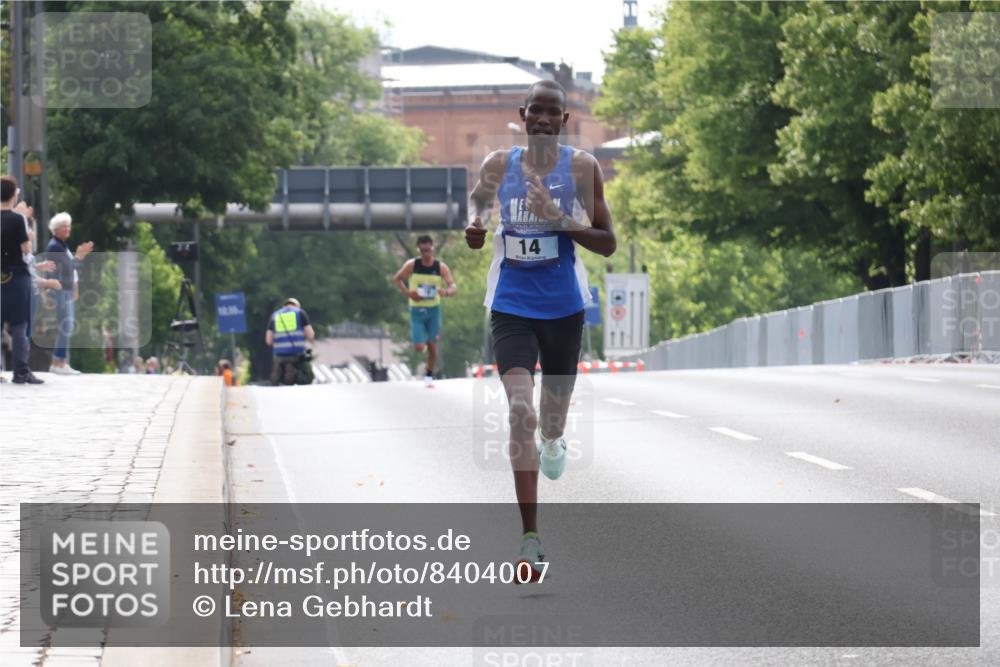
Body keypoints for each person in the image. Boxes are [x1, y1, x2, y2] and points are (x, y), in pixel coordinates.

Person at [465, 79, 616, 581]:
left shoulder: (582, 167)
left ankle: (555, 438)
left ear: (564, 120)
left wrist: (558, 221)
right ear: (523, 114)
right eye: (537, 112)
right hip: (510, 304)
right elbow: (477, 201)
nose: (545, 120)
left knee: (550, 420)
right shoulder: (497, 164)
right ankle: (530, 537)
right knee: (520, 410)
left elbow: (608, 243)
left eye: (554, 113)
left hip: (564, 308)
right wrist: (475, 225)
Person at [392, 235, 457, 388]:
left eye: (427, 249)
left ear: (432, 248)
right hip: (416, 310)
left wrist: (445, 292)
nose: (425, 253)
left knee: (433, 345)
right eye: (422, 250)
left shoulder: (440, 267)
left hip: (433, 310)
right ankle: (421, 340)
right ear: (418, 249)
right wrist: (409, 292)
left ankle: (429, 375)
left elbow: (454, 286)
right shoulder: (411, 265)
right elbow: (397, 278)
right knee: (420, 348)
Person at [1, 176, 43, 384]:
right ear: (13, 195)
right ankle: (21, 372)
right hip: (17, 276)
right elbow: (26, 249)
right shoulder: (18, 220)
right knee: (19, 325)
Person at [44, 212, 94, 375]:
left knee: (67, 325)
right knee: (67, 325)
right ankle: (58, 362)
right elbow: (67, 269)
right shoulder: (55, 246)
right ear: (56, 229)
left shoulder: (62, 245)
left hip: (64, 290)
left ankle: (59, 361)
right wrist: (79, 257)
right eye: (64, 226)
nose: (68, 229)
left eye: (69, 226)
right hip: (60, 290)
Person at [265, 297, 315, 385]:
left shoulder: (275, 315)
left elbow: (268, 340)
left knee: (279, 364)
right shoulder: (300, 313)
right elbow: (310, 334)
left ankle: (279, 373)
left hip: (279, 354)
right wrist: (308, 342)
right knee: (307, 374)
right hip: (297, 353)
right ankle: (295, 374)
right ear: (297, 306)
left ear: (284, 306)